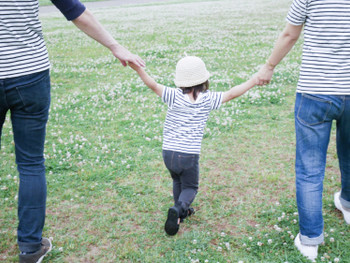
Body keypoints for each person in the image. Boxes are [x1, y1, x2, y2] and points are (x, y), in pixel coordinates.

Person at [0, 0, 144, 262]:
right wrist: (114, 45)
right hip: (30, 74)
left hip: (27, 73)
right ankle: (30, 247)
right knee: (31, 163)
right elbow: (75, 10)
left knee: (31, 163)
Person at [256, 0, 350, 261]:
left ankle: (310, 241)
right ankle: (348, 205)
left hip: (315, 92)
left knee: (310, 168)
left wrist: (269, 66)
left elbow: (290, 34)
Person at [129, 56, 257, 235]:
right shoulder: (208, 99)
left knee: (177, 180)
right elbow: (231, 93)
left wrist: (138, 69)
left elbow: (153, 85)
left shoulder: (173, 95)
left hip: (168, 152)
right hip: (188, 155)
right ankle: (179, 209)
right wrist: (253, 81)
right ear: (204, 79)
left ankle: (180, 213)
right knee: (190, 187)